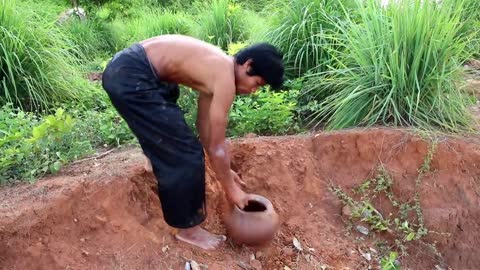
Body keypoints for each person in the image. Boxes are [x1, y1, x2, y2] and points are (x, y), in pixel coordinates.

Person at [101, 34, 284, 250]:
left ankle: (155, 153)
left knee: (172, 119)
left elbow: (205, 128)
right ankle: (188, 231)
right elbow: (216, 147)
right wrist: (232, 189)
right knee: (185, 155)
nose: (253, 90)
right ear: (248, 65)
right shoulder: (224, 77)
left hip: (133, 70)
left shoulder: (218, 70)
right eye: (257, 83)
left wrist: (225, 172)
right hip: (131, 74)